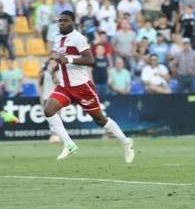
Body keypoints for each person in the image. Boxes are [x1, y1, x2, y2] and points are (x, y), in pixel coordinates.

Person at [43, 11, 135, 162]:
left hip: (81, 87)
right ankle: (69, 144)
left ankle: (126, 142)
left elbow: (90, 60)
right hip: (65, 86)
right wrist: (54, 70)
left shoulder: (78, 38)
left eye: (65, 21)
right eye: (60, 21)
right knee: (48, 110)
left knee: (100, 120)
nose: (62, 23)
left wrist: (69, 60)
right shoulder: (57, 38)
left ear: (73, 22)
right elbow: (60, 59)